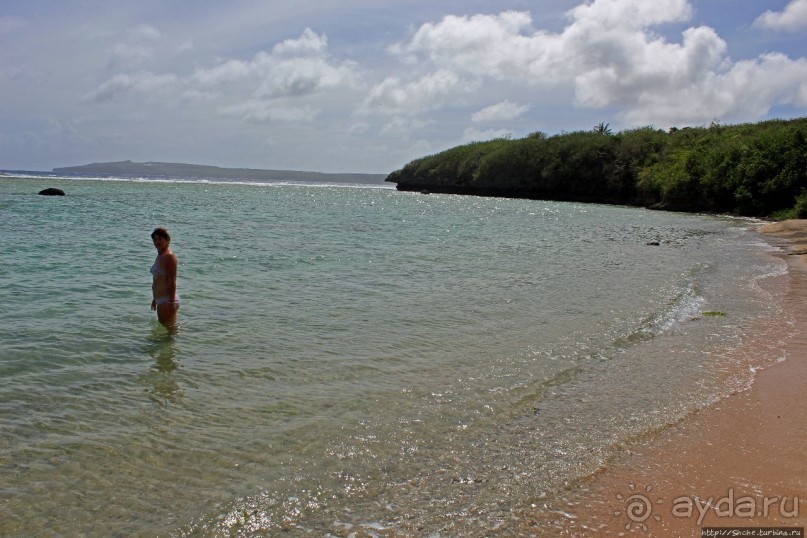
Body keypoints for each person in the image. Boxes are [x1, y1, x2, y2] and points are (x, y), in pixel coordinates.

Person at [150, 227, 180, 328]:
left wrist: (171, 303)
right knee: (170, 330)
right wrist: (155, 299)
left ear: (167, 240)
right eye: (155, 239)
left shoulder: (169, 257)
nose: (157, 241)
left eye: (160, 239)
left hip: (167, 300)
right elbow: (158, 280)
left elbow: (172, 281)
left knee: (169, 331)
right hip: (161, 300)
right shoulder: (160, 255)